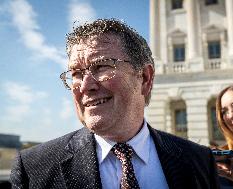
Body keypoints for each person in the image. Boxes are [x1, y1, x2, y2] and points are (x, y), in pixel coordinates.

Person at [10, 18, 220, 189]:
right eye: (76, 73)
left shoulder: (199, 161)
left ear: (145, 78)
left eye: (101, 66)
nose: (85, 86)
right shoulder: (34, 168)